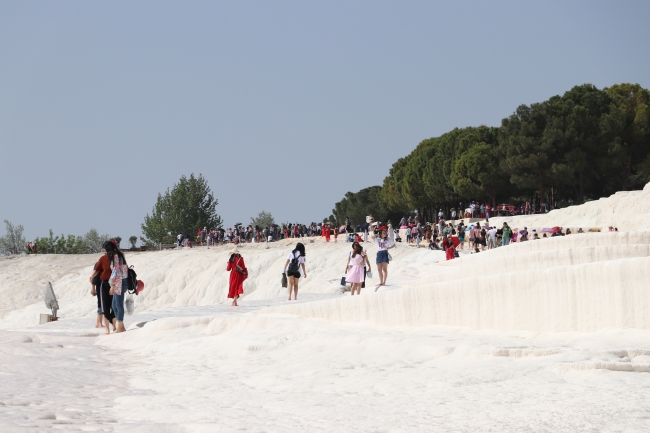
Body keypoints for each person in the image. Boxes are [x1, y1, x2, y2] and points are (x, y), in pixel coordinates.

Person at [89, 244, 116, 335]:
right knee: (105, 307)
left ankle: (113, 326)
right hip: (104, 284)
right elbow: (96, 269)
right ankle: (108, 328)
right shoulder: (103, 259)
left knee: (113, 306)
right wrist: (92, 276)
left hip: (112, 283)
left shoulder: (116, 258)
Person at [105, 240, 128, 333]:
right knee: (114, 305)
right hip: (120, 281)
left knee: (118, 305)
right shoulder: (119, 255)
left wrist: (112, 285)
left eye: (106, 250)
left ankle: (120, 327)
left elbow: (116, 272)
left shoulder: (116, 256)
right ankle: (121, 326)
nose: (105, 252)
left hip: (119, 282)